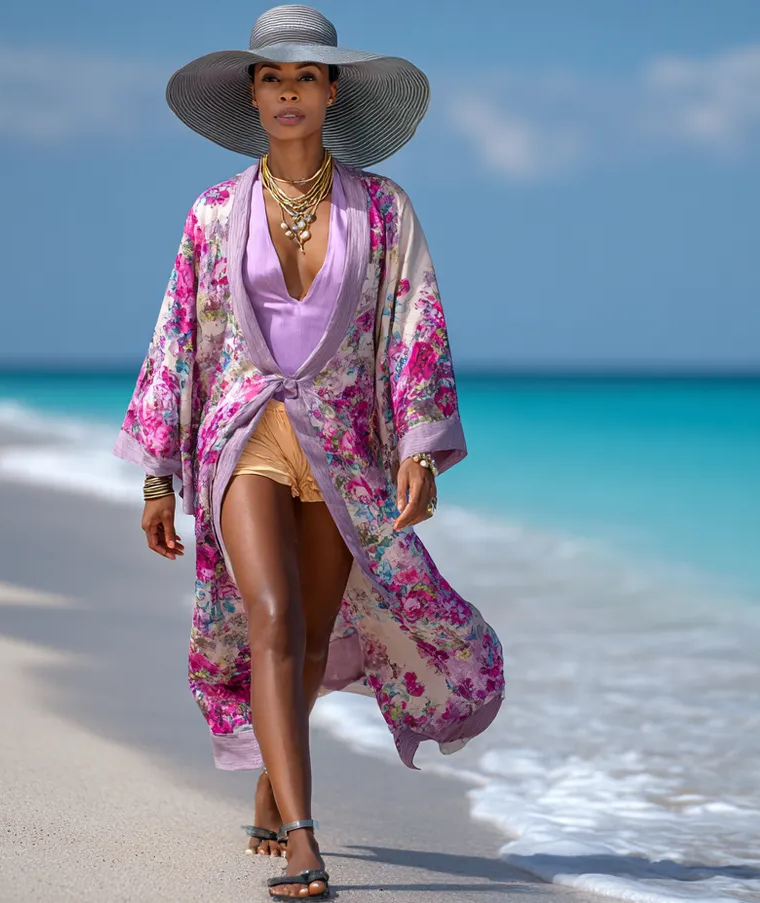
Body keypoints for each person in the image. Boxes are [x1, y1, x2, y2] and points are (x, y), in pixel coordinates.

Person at [111, 5, 506, 899]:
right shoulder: (213, 213)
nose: (287, 92)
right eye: (270, 78)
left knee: (318, 638)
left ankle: (269, 771)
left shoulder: (385, 209)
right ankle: (302, 837)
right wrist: (156, 473)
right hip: (241, 441)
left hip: (344, 447)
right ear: (251, 96)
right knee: (273, 621)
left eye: (304, 78)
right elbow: (180, 337)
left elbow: (415, 322)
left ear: (333, 92)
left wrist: (419, 445)